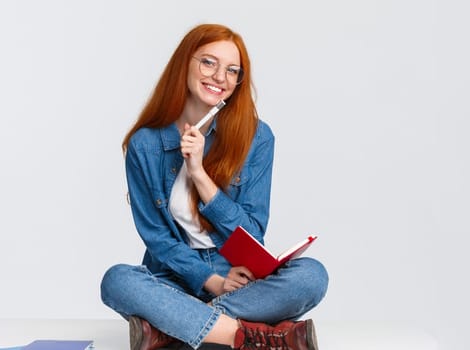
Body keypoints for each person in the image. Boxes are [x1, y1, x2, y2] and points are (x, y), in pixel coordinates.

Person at [100, 23, 328, 350]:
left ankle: (172, 330)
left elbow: (252, 233)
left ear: (238, 82)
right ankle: (251, 337)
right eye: (209, 62)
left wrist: (200, 176)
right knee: (117, 281)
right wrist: (213, 283)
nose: (220, 77)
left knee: (312, 276)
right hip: (172, 276)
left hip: (239, 277)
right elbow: (157, 238)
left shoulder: (256, 138)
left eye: (232, 71)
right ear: (185, 64)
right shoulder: (145, 145)